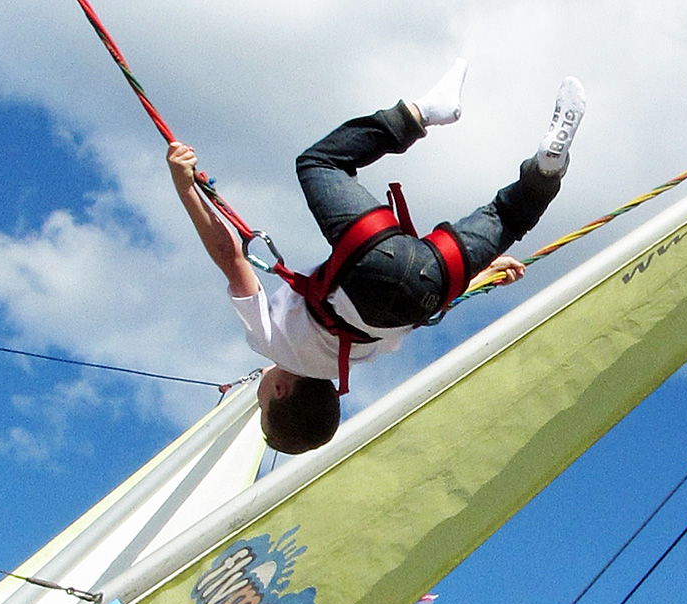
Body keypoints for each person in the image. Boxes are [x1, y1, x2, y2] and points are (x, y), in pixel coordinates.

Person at [166, 63, 585, 454]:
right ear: (280, 392)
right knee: (320, 163)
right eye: (262, 410)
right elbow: (231, 257)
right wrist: (185, 187)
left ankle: (546, 171)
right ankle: (421, 113)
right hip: (368, 261)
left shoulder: (364, 355)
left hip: (426, 282)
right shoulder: (269, 342)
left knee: (508, 217)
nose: (257, 400)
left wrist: (483, 274)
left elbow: (415, 312)